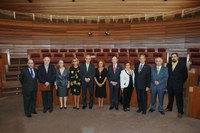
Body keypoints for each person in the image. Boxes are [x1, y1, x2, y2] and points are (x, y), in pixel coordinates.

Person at [165, 53, 188, 118]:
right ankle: (169, 107)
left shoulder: (182, 65)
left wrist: (180, 82)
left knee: (179, 98)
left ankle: (180, 111)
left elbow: (185, 76)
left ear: (178, 57)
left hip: (178, 84)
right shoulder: (168, 64)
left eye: (175, 57)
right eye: (172, 57)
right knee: (170, 97)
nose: (173, 58)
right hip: (170, 84)